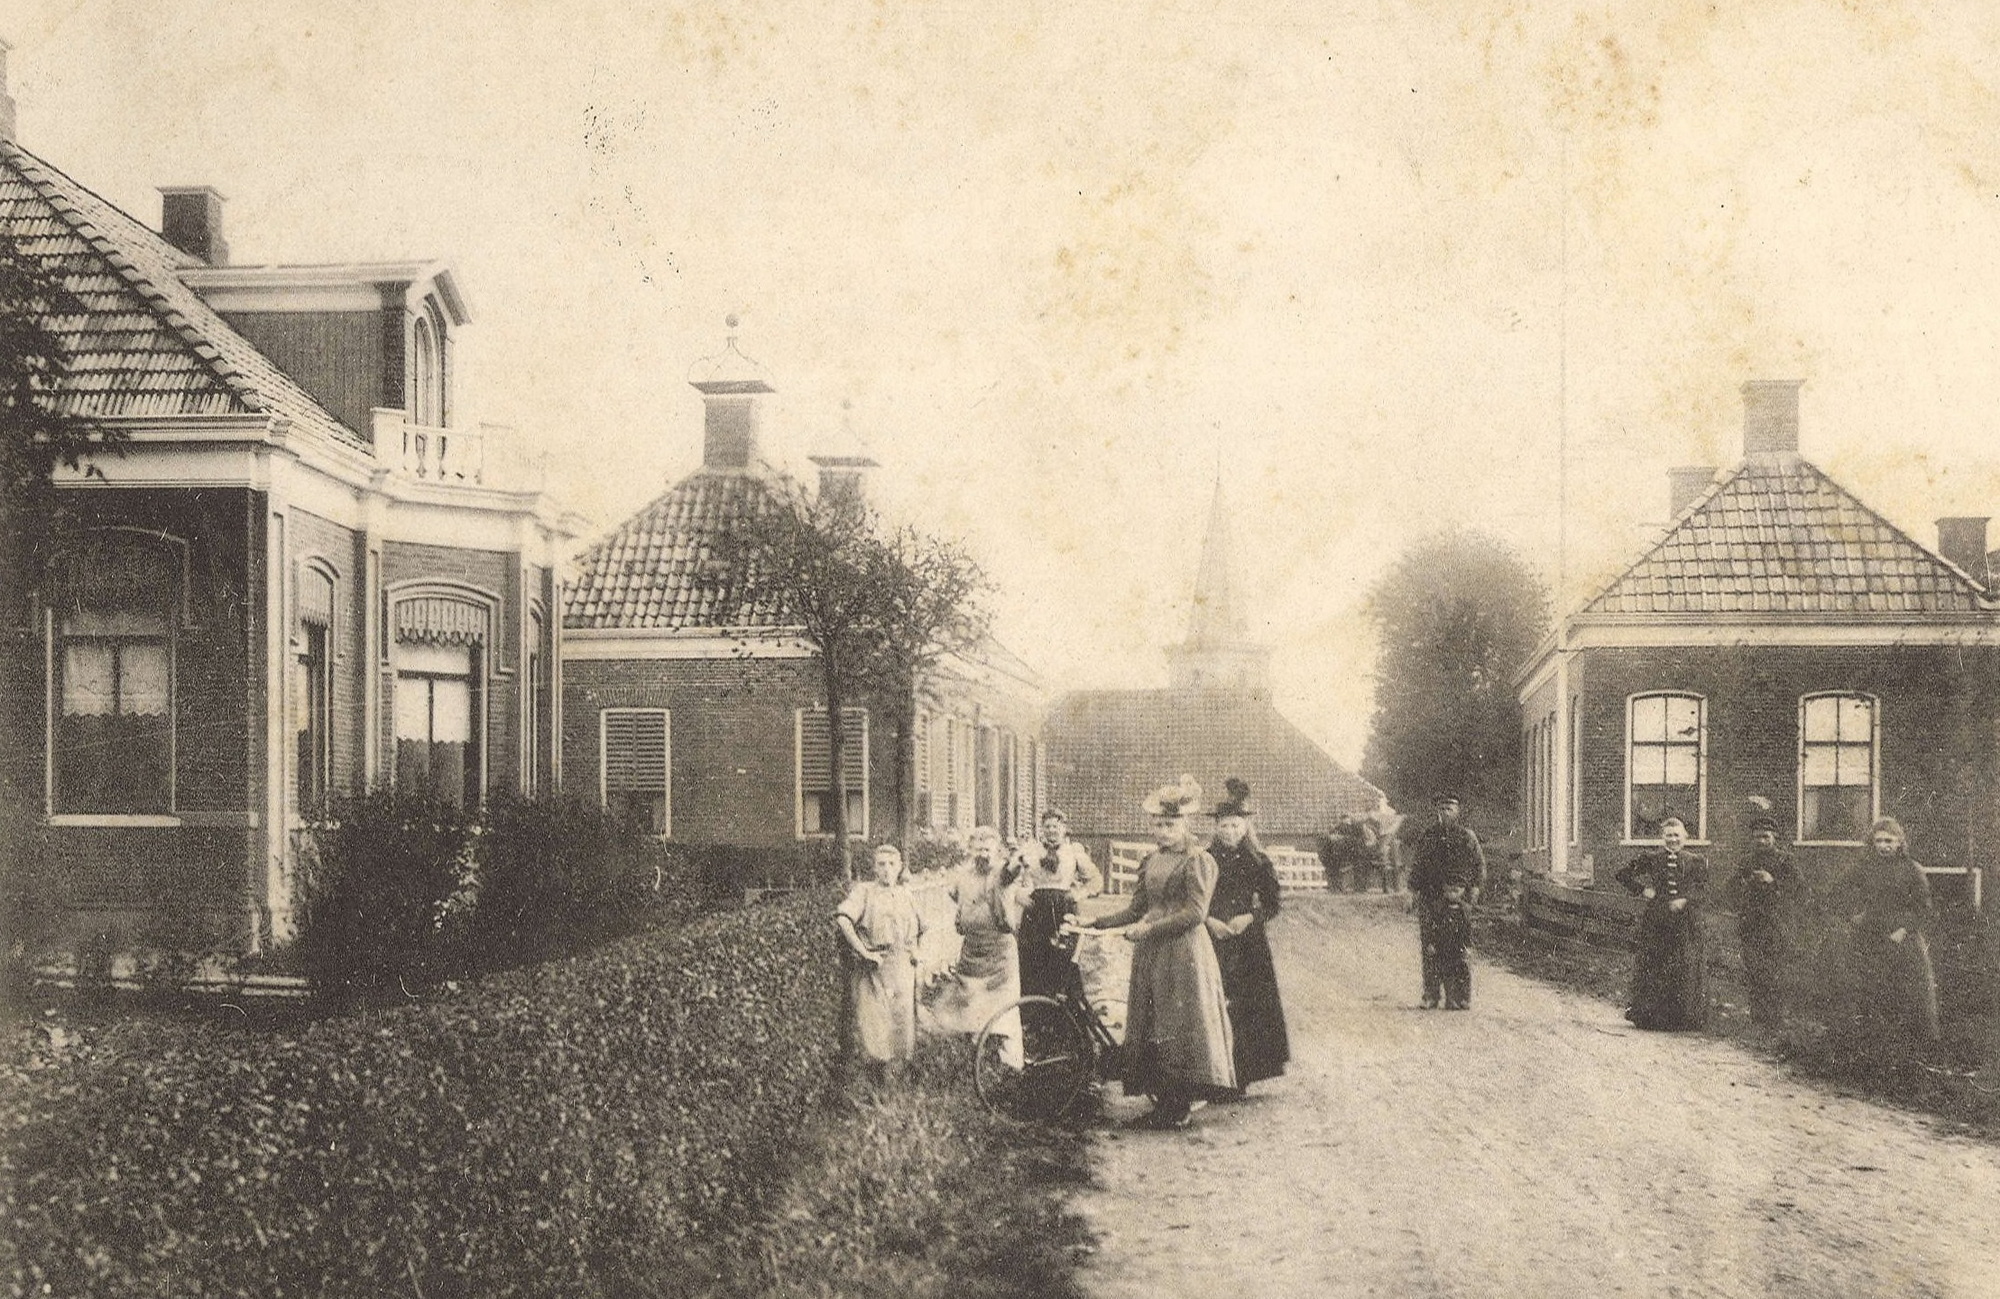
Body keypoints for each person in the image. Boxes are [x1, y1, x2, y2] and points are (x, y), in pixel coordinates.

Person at [1084, 775, 1235, 1129]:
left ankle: (1179, 1104)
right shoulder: (1151, 860)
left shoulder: (1197, 861)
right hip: (1152, 953)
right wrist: (1097, 923)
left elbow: (1196, 913)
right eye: (1158, 824)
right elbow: (1136, 908)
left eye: (1170, 824)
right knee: (1153, 1021)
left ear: (1185, 824)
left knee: (1178, 1023)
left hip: (1183, 953)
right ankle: (1164, 1100)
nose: (1163, 831)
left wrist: (1149, 929)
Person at [1205, 778, 1290, 1092]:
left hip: (1248, 943)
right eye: (1224, 825)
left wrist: (1250, 918)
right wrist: (1209, 920)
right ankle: (1214, 1073)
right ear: (1216, 827)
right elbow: (1194, 900)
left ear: (1245, 827)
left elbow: (1272, 904)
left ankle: (1242, 1075)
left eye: (1235, 825)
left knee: (1247, 1006)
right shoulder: (1204, 859)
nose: (1229, 832)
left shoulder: (1258, 861)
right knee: (1215, 1003)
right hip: (1213, 938)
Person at [1827, 816, 1941, 1049]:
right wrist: (1853, 915)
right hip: (1871, 939)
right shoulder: (1865, 867)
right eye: (1878, 841)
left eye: (1889, 841)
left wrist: (1904, 929)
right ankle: (1875, 1049)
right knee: (1871, 993)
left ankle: (1919, 1050)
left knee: (1913, 994)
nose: (1884, 846)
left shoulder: (1912, 869)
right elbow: (1838, 891)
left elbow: (1924, 910)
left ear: (1900, 842)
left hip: (1904, 942)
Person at [920, 826, 1027, 1066]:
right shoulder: (962, 876)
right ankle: (976, 1064)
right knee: (969, 1008)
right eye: (978, 849)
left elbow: (1011, 871)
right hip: (972, 953)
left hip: (1000, 956)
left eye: (988, 849)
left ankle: (1009, 1067)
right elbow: (955, 896)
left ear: (996, 851)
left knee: (1004, 1011)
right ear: (970, 850)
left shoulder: (1002, 872)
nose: (983, 855)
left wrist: (1017, 859)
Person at [835, 843, 927, 1081]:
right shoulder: (864, 891)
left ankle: (899, 1080)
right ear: (874, 868)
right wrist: (864, 952)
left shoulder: (907, 894)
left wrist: (915, 950)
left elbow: (921, 928)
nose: (886, 870)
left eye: (891, 864)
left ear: (900, 867)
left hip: (902, 967)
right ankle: (876, 1080)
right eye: (881, 865)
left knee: (903, 1022)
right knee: (876, 1023)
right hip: (876, 968)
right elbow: (843, 919)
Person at [1613, 815, 1708, 1031]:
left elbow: (1703, 889)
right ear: (1662, 837)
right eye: (1668, 836)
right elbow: (1622, 875)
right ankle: (1652, 1017)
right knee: (1655, 964)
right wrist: (1643, 889)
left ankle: (1682, 1019)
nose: (1673, 840)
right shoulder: (1652, 858)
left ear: (1685, 837)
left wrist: (1685, 899)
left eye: (1676, 835)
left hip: (1685, 923)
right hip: (1658, 921)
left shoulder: (1695, 861)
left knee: (1684, 965)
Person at [1013, 807, 1102, 1000]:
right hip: (1036, 910)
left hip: (1064, 909)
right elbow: (1011, 876)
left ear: (1064, 828)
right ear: (1041, 829)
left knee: (1062, 958)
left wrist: (1079, 894)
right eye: (1047, 826)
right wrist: (1018, 894)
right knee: (1033, 958)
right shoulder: (1031, 851)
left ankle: (1063, 1017)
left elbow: (1095, 880)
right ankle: (1035, 1013)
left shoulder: (1073, 852)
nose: (1051, 830)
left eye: (1056, 826)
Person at [1407, 792, 1484, 1009]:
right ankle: (1431, 994)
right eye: (1441, 808)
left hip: (1458, 899)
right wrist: (1412, 890)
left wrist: (1475, 888)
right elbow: (1418, 865)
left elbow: (1478, 864)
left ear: (1458, 811)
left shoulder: (1467, 837)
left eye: (1449, 808)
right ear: (1436, 811)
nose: (1445, 812)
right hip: (1431, 899)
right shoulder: (1428, 836)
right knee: (1431, 947)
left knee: (1458, 950)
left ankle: (1459, 996)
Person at [1725, 815, 1803, 1029]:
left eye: (1765, 837)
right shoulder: (1747, 862)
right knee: (1754, 970)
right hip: (1752, 925)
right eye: (1757, 837)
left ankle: (1775, 1019)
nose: (1761, 841)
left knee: (1775, 972)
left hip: (1777, 925)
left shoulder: (1786, 861)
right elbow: (1729, 889)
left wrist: (1773, 881)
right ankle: (1758, 1018)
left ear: (1774, 837)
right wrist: (1746, 884)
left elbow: (1800, 890)